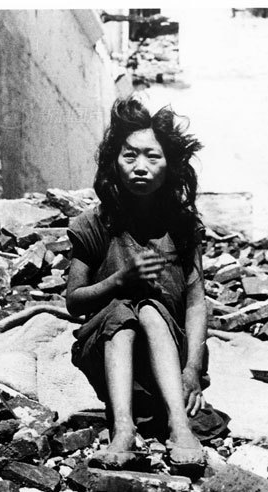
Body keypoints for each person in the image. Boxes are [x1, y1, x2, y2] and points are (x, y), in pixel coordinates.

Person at [66, 96, 207, 471]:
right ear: (114, 161)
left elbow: (196, 303)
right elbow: (74, 302)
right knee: (123, 311)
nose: (140, 167)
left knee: (149, 308)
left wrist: (193, 368)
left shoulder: (182, 227)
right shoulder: (94, 224)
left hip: (167, 353)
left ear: (170, 165)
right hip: (105, 349)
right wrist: (119, 280)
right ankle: (123, 429)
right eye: (130, 156)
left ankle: (179, 426)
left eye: (152, 157)